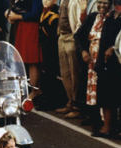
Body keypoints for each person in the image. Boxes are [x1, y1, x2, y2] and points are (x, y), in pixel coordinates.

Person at [74, 0, 121, 137]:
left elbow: (118, 40)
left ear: (111, 3)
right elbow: (78, 35)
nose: (102, 5)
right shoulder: (93, 17)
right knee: (95, 95)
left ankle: (107, 127)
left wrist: (113, 48)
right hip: (91, 63)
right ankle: (99, 123)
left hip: (108, 63)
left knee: (107, 96)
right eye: (99, 2)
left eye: (105, 3)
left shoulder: (116, 19)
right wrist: (83, 51)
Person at [5, 0, 43, 100]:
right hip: (22, 27)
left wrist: (17, 17)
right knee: (23, 61)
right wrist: (9, 14)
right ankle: (33, 90)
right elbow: (18, 8)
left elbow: (36, 14)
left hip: (31, 28)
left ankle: (35, 91)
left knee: (32, 62)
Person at [54, 0, 82, 119]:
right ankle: (70, 102)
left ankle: (76, 106)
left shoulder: (76, 1)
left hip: (71, 37)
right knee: (65, 74)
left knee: (74, 74)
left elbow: (79, 21)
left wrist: (75, 36)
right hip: (62, 36)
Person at [37, 0, 67, 110]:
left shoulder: (54, 15)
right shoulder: (44, 12)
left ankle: (52, 101)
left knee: (51, 74)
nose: (45, 2)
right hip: (45, 47)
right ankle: (46, 97)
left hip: (52, 48)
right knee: (46, 74)